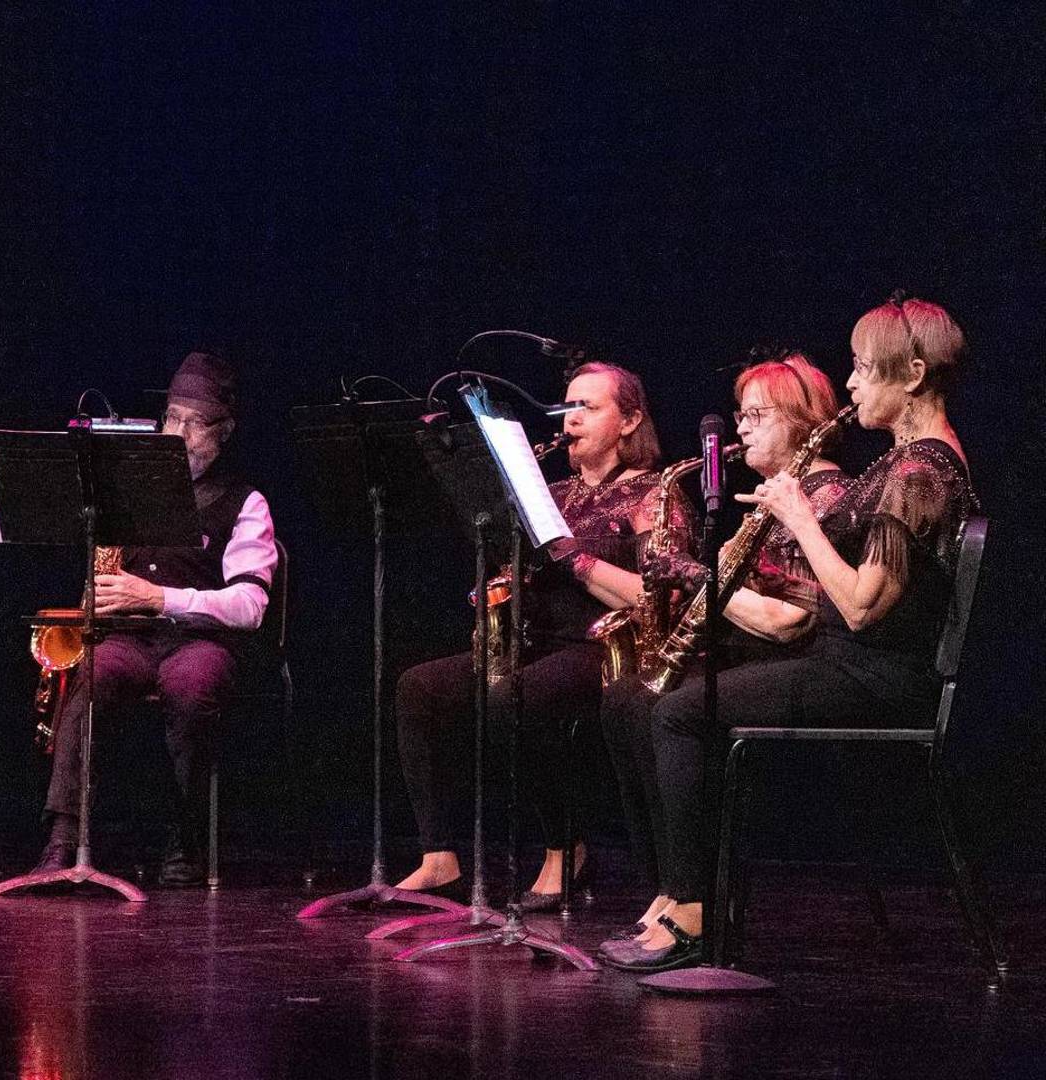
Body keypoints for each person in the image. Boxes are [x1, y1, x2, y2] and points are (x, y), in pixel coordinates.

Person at [609, 297, 977, 973]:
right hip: (852, 664)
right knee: (653, 699)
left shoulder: (922, 470)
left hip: (873, 676)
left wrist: (800, 518)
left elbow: (864, 608)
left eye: (866, 369)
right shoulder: (905, 461)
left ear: (915, 373)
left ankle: (693, 912)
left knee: (685, 712)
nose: (855, 384)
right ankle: (677, 895)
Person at [393, 362, 680, 909]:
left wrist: (574, 557)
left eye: (587, 408)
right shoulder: (553, 494)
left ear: (630, 420)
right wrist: (503, 585)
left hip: (605, 649)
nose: (570, 422)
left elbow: (655, 599)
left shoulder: (652, 495)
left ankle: (564, 849)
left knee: (518, 696)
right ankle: (439, 858)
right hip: (537, 643)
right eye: (566, 408)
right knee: (420, 688)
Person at [598, 352, 849, 961]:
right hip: (757, 656)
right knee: (627, 698)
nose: (740, 427)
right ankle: (670, 885)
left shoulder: (826, 494)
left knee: (675, 710)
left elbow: (791, 620)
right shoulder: (772, 498)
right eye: (739, 414)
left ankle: (696, 904)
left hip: (806, 663)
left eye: (755, 414)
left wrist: (690, 573)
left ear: (800, 419)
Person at [27, 350, 278, 887]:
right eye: (172, 418)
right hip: (133, 638)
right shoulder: (128, 490)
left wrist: (160, 598)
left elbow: (251, 606)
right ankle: (63, 840)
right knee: (93, 675)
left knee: (193, 684)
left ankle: (185, 840)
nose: (179, 434)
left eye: (196, 423)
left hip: (202, 641)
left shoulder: (246, 502)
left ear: (225, 431)